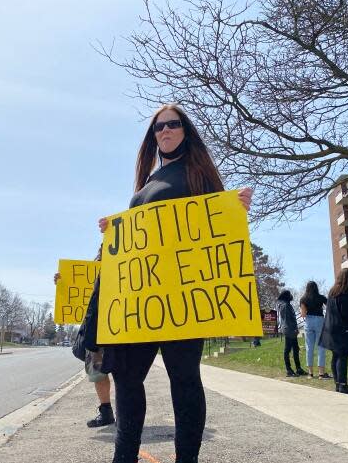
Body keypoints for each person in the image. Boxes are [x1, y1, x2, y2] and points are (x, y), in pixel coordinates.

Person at [97, 104, 253, 463]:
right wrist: (112, 234)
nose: (164, 131)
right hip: (142, 300)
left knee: (183, 380)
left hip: (183, 302)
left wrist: (237, 206)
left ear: (185, 131)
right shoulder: (148, 181)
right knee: (126, 376)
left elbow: (219, 225)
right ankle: (124, 457)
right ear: (152, 136)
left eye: (172, 124)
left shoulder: (197, 174)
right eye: (158, 127)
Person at [54, 268, 115, 428]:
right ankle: (106, 412)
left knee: (126, 375)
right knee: (98, 374)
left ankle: (126, 414)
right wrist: (63, 285)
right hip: (95, 331)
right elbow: (84, 300)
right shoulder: (95, 270)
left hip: (121, 326)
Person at [319, 268, 348, 395]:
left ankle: (338, 384)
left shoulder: (332, 292)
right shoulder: (345, 293)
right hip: (341, 329)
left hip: (330, 328)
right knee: (342, 356)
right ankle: (343, 385)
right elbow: (346, 314)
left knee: (335, 356)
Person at [300, 281, 330, 379]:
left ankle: (310, 373)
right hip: (319, 321)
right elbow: (329, 306)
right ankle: (321, 374)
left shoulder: (303, 299)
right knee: (321, 347)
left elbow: (303, 314)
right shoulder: (321, 297)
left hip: (308, 321)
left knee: (309, 347)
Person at [277, 290, 307, 377]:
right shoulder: (285, 305)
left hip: (290, 329)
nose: (291, 296)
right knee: (287, 350)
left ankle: (298, 369)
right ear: (286, 296)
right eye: (290, 294)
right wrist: (294, 329)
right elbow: (288, 320)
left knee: (296, 349)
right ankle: (289, 370)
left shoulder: (286, 304)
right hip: (289, 330)